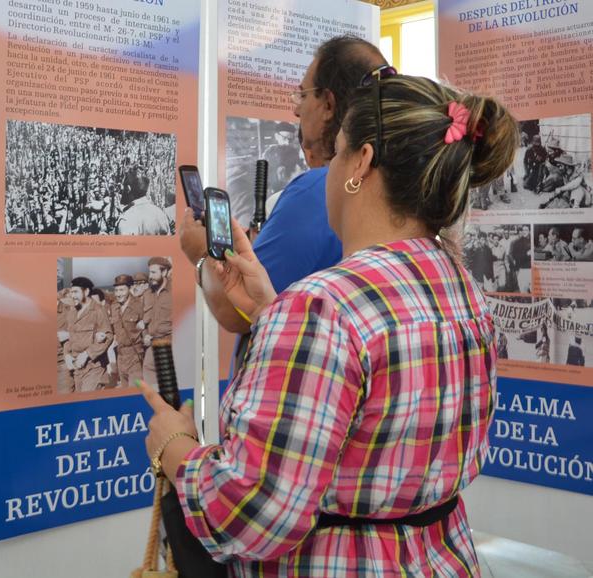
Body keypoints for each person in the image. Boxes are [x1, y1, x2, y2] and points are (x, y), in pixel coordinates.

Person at [140, 73, 518, 576]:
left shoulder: (323, 307)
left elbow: (252, 516)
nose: (329, 167)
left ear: (360, 163)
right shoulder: (461, 289)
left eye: (338, 151)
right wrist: (273, 310)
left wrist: (174, 445)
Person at [180, 36, 387, 359]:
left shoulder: (314, 190)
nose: (294, 108)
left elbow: (237, 312)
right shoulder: (390, 184)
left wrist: (201, 257)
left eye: (302, 94)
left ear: (328, 105)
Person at [64, 276, 113, 392]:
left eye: (75, 292)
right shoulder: (72, 312)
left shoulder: (98, 311)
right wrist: (67, 354)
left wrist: (87, 354)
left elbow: (108, 336)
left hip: (94, 368)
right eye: (71, 292)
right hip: (77, 368)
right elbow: (69, 338)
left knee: (88, 403)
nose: (72, 295)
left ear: (86, 291)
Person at [141, 257, 172, 385]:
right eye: (149, 272)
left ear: (164, 272)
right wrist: (145, 336)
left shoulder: (174, 291)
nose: (150, 276)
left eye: (153, 272)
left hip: (170, 344)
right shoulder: (147, 294)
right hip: (152, 346)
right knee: (150, 380)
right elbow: (144, 320)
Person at [109, 274, 144, 387]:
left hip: (135, 355)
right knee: (124, 392)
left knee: (134, 391)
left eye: (122, 290)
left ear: (130, 289)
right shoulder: (114, 307)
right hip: (120, 356)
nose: (118, 294)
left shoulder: (139, 305)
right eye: (116, 290)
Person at [117, 166, 171, 235]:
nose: (121, 191)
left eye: (124, 187)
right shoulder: (160, 214)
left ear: (128, 188)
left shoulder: (127, 219)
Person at [508, 225, 531, 292]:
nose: (524, 232)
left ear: (529, 231)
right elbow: (516, 256)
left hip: (532, 269)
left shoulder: (532, 241)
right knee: (523, 291)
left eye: (526, 230)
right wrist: (526, 254)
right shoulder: (516, 243)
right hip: (522, 269)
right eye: (523, 230)